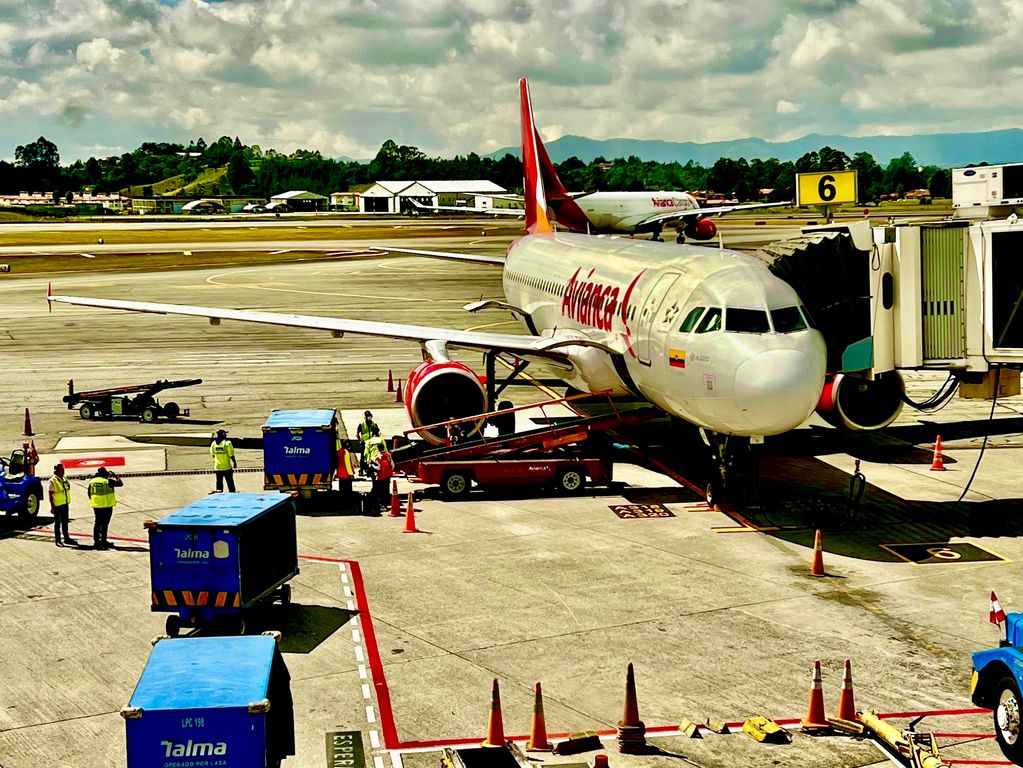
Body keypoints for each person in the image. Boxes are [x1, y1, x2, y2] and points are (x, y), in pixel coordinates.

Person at [87, 467, 122, 549]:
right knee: (104, 524)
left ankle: (96, 541)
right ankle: (103, 540)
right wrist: (115, 476)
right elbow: (120, 483)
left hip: (96, 506)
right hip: (106, 506)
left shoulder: (92, 481)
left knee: (97, 523)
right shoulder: (107, 481)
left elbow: (89, 493)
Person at [48, 463, 74, 547]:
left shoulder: (64, 478)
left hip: (65, 503)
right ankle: (58, 540)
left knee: (65, 522)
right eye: (61, 469)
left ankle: (66, 538)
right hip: (58, 505)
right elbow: (50, 495)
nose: (63, 471)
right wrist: (52, 506)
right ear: (57, 471)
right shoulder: (52, 481)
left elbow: (68, 487)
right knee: (57, 523)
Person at [371, 446, 394, 510]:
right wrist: (389, 472)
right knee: (386, 490)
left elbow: (378, 468)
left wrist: (372, 465)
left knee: (380, 491)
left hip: (381, 477)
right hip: (387, 476)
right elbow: (392, 465)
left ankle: (381, 504)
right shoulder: (389, 455)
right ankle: (386, 504)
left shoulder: (378, 457)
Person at [356, 410, 378, 475]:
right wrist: (360, 440)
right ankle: (362, 469)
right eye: (368, 416)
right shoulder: (361, 424)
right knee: (363, 457)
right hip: (364, 443)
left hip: (371, 443)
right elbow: (357, 433)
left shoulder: (374, 424)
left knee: (371, 456)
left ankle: (370, 469)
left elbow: (377, 432)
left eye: (370, 416)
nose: (369, 418)